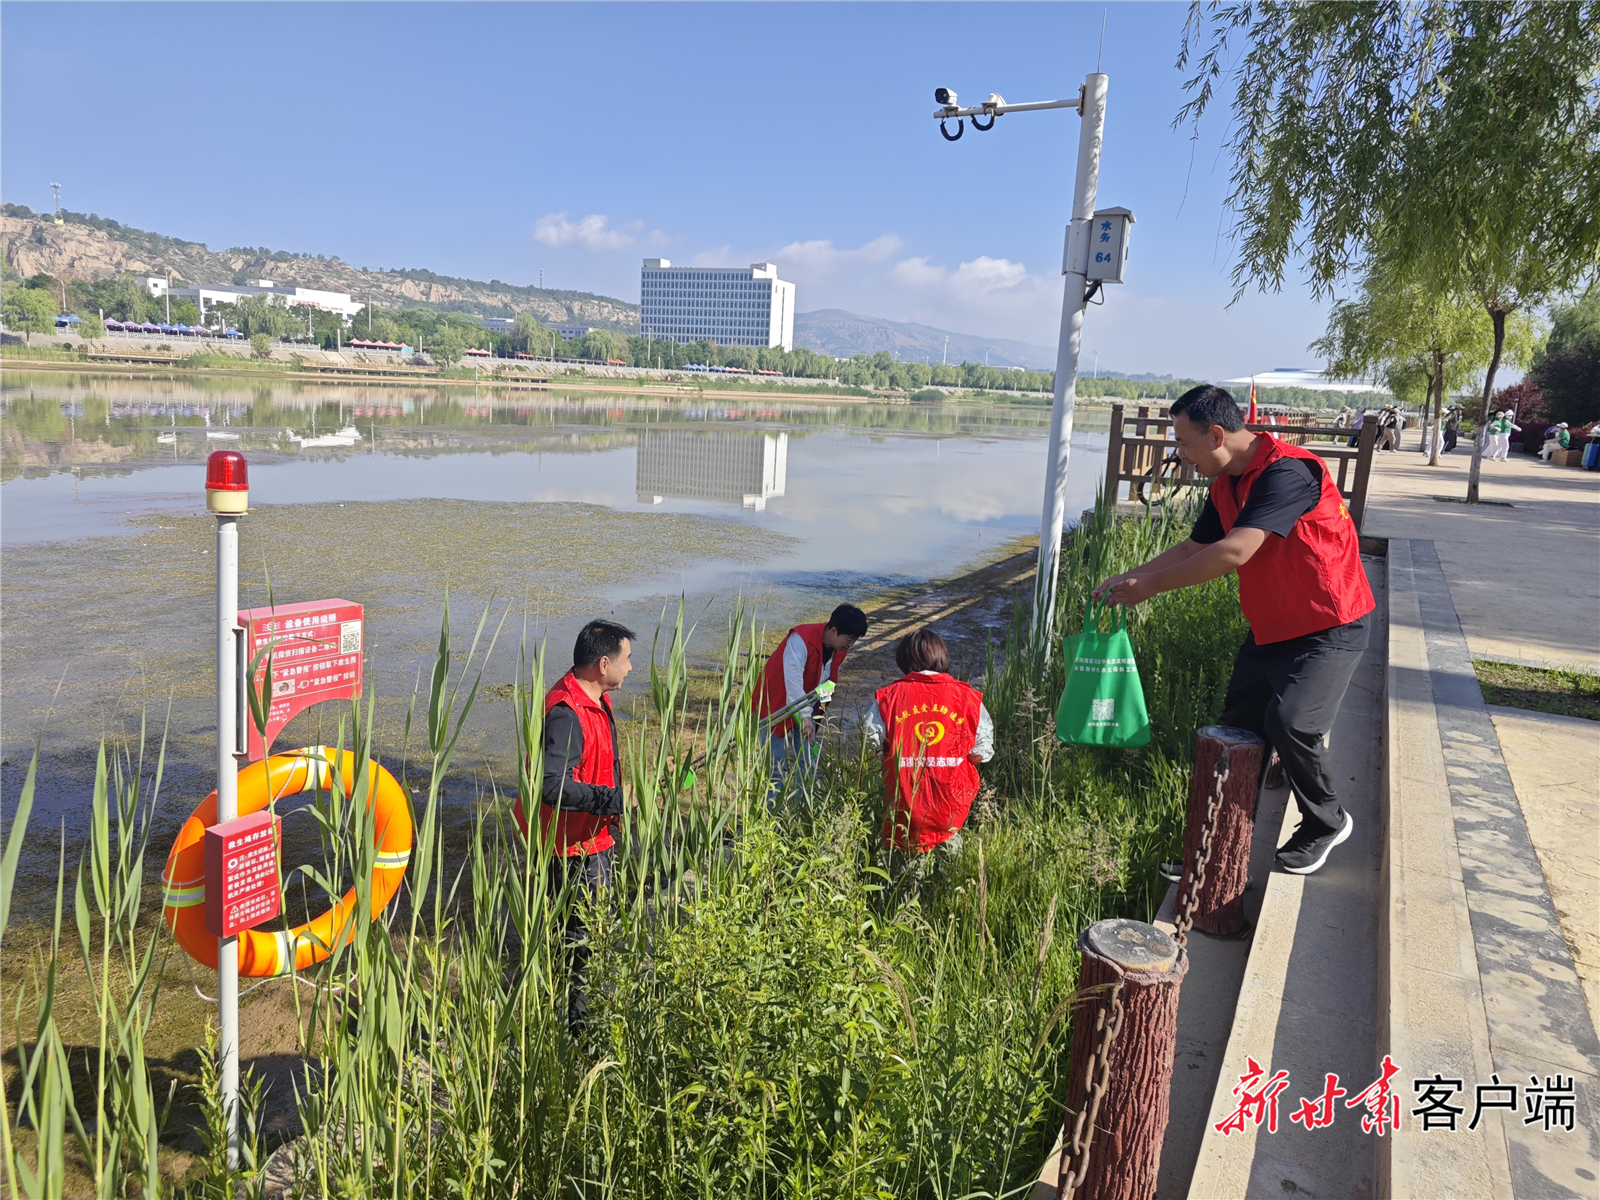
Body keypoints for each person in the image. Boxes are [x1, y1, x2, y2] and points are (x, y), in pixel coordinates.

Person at [1095, 386, 1374, 876]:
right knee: (1235, 736)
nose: (1179, 453)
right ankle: (1209, 847)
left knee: (1291, 724)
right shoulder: (1225, 482)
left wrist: (1152, 587)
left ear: (1217, 434)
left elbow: (1233, 551)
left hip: (1330, 623)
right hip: (1271, 627)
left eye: (1183, 441)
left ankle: (1325, 821)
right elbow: (1192, 548)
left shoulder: (1288, 472)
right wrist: (1129, 577)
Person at [513, 618, 635, 1034]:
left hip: (591, 838)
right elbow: (551, 786)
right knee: (581, 942)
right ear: (604, 664)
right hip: (571, 850)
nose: (631, 668)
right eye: (627, 659)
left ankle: (571, 1013)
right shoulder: (566, 713)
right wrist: (615, 800)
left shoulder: (591, 697)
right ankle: (579, 1032)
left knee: (585, 935)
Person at [863, 628, 994, 868]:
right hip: (950, 805)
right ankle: (943, 898)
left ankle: (900, 900)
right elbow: (981, 752)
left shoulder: (889, 697)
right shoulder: (968, 697)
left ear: (904, 660)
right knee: (950, 864)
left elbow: (869, 742)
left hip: (903, 805)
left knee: (900, 869)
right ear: (941, 657)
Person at [753, 603, 868, 789]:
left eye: (855, 640)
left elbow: (826, 679)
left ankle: (802, 810)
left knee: (807, 761)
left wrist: (816, 714)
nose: (851, 645)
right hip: (774, 702)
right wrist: (806, 716)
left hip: (806, 704)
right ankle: (773, 812)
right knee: (776, 766)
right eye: (849, 639)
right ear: (833, 631)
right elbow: (793, 681)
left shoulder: (840, 648)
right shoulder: (800, 639)